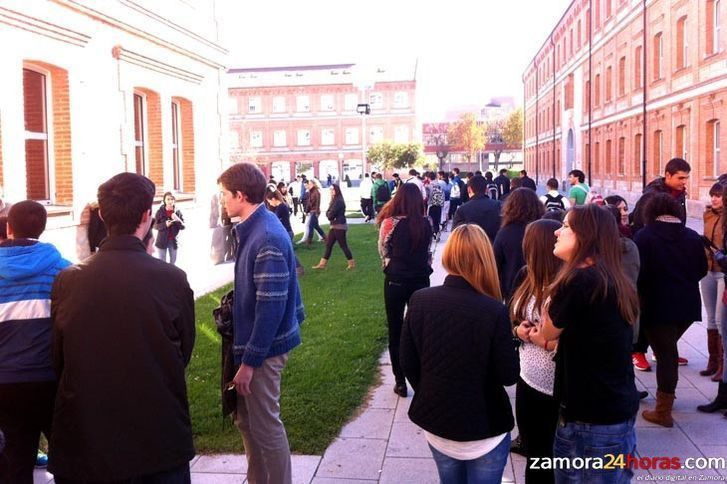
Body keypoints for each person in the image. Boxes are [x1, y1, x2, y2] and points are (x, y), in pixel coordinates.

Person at [49, 173, 195, 483]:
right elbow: (183, 351)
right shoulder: (171, 279)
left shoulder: (68, 281)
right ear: (146, 217)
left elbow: (59, 358)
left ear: (103, 214)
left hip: (89, 439)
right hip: (155, 439)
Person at [400, 224, 519, 483]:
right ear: (485, 257)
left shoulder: (420, 300)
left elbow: (408, 361)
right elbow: (509, 374)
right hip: (485, 428)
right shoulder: (493, 310)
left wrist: (431, 389)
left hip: (437, 424)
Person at [541, 204, 640, 483]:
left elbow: (548, 331)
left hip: (590, 420)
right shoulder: (610, 277)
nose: (557, 232)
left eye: (567, 227)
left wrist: (552, 293)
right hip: (610, 409)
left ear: (586, 236)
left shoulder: (580, 281)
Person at [218, 162, 304, 484]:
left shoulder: (265, 235)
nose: (223, 201)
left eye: (225, 195)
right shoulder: (253, 227)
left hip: (264, 350)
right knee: (246, 421)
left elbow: (271, 307)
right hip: (253, 346)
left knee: (265, 425)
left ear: (241, 195)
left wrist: (250, 362)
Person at [0, 201, 70, 484]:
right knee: (69, 454)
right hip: (50, 379)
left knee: (16, 458)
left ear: (9, 228)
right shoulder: (63, 271)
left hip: (5, 382)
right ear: (42, 228)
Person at [635, 193, 708, 427]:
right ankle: (668, 393)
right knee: (667, 349)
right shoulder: (692, 237)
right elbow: (701, 270)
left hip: (656, 306)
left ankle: (663, 412)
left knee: (667, 355)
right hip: (686, 306)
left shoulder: (644, 237)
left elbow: (638, 273)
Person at [510, 219, 563, 484]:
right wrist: (518, 330)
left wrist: (544, 341)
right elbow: (513, 316)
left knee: (551, 457)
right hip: (527, 376)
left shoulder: (566, 286)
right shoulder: (526, 276)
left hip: (555, 386)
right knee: (534, 452)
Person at [377, 184, 433, 397]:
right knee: (419, 329)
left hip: (395, 280)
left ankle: (400, 380)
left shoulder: (390, 223)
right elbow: (429, 250)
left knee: (395, 329)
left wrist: (390, 267)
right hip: (420, 280)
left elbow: (383, 250)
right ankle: (420, 377)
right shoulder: (426, 222)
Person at [494, 188, 545, 302]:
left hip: (513, 289)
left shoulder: (505, 233)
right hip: (541, 288)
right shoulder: (542, 230)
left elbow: (496, 264)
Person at [697, 183, 725, 381]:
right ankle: (712, 360)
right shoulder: (707, 215)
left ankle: (722, 365)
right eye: (712, 195)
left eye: (718, 195)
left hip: (723, 271)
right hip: (707, 269)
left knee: (720, 317)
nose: (714, 199)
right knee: (711, 318)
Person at [631, 157, 690, 234]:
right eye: (681, 178)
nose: (684, 182)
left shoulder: (680, 194)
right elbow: (639, 224)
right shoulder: (651, 195)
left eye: (686, 178)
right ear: (668, 175)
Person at [313, 184, 355, 270]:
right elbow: (329, 213)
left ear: (336, 190)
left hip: (339, 226)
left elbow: (330, 215)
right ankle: (322, 264)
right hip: (334, 225)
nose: (331, 191)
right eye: (330, 190)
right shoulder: (334, 200)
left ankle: (351, 263)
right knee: (329, 245)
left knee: (343, 245)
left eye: (333, 190)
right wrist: (329, 214)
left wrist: (329, 214)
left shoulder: (339, 201)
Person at [452, 175, 502, 242]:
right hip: (494, 249)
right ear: (486, 189)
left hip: (471, 249)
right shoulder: (499, 206)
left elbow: (455, 235)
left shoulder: (462, 210)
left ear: (469, 189)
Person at [153, 191, 185, 265]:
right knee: (162, 263)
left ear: (174, 200)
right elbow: (154, 225)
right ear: (164, 200)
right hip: (161, 241)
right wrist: (165, 224)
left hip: (173, 242)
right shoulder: (160, 211)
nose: (170, 201)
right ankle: (163, 276)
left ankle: (171, 276)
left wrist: (177, 219)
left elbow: (183, 226)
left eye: (172, 199)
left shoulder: (178, 212)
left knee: (172, 263)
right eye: (168, 199)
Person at [304, 178, 326, 246]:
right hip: (312, 211)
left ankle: (309, 241)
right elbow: (309, 202)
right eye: (309, 184)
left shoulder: (316, 192)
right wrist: (306, 211)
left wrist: (316, 212)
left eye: (310, 184)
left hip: (315, 211)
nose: (309, 185)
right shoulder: (311, 191)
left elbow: (317, 203)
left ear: (314, 184)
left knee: (311, 225)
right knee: (316, 226)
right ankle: (326, 238)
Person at [426, 172, 445, 240]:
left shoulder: (428, 186)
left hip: (431, 205)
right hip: (439, 205)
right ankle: (437, 231)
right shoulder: (440, 185)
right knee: (437, 219)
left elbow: (426, 196)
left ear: (428, 178)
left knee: (431, 220)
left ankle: (434, 233)